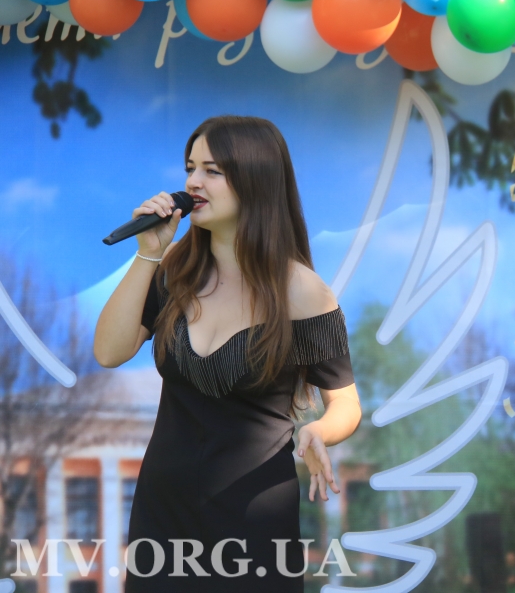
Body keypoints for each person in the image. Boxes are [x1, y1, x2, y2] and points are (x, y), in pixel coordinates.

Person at [94, 116, 361, 592]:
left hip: (254, 513)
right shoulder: (175, 270)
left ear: (255, 180)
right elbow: (109, 351)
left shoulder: (302, 291)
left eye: (212, 171)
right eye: (190, 168)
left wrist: (319, 431)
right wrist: (148, 253)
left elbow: (345, 402)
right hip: (164, 511)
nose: (193, 182)